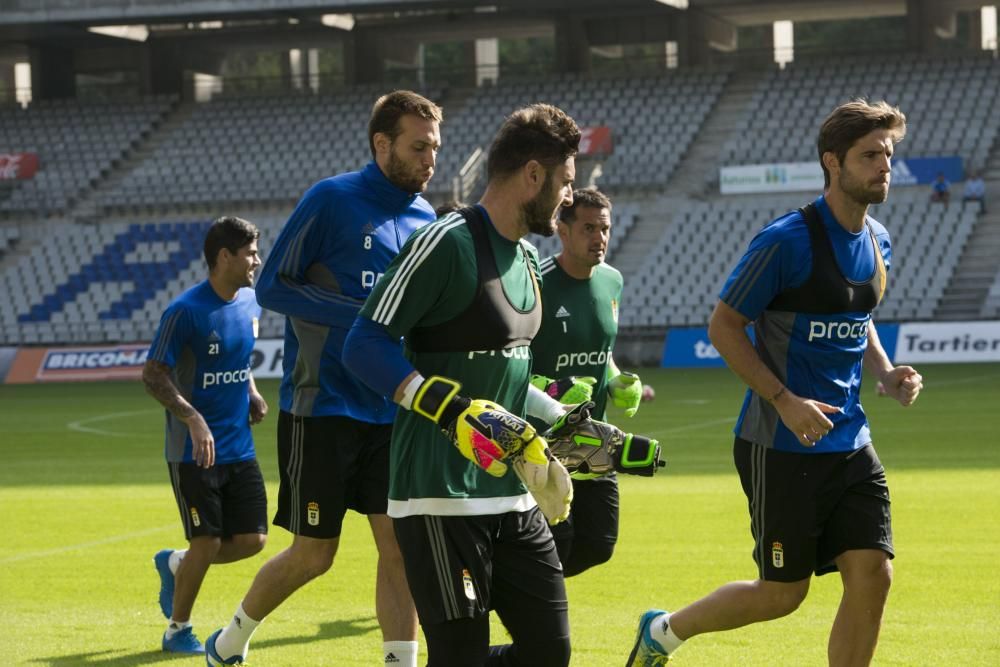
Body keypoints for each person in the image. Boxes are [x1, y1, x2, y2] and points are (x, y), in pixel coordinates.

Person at [628, 99, 924, 666]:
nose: (884, 165)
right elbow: (724, 325)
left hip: (851, 442)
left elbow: (857, 321)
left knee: (873, 574)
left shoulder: (879, 240)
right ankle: (663, 632)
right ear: (832, 162)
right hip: (779, 442)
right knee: (783, 595)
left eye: (888, 154)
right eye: (870, 155)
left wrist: (885, 373)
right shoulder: (785, 241)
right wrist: (784, 400)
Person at [204, 90, 442, 667]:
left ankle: (398, 662)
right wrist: (363, 315)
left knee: (399, 549)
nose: (430, 160)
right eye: (418, 147)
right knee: (315, 554)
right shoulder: (331, 199)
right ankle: (230, 640)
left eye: (435, 147)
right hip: (325, 406)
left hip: (393, 409)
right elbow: (274, 286)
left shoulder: (426, 219)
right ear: (382, 144)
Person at [342, 103, 581, 666]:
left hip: (512, 495)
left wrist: (567, 423)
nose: (570, 196)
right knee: (459, 656)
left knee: (551, 653)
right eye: (566, 182)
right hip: (437, 498)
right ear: (532, 175)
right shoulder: (446, 242)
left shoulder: (527, 257)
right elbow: (363, 343)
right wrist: (449, 412)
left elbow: (506, 380)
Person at [144, 216, 269, 655]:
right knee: (209, 539)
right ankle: (178, 629)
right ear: (224, 257)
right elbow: (153, 374)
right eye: (250, 253)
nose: (256, 260)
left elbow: (241, 359)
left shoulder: (252, 302)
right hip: (193, 451)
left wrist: (251, 391)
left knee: (254, 540)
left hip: (238, 444)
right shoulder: (185, 311)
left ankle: (177, 563)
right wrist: (193, 418)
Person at [529, 186, 644, 577]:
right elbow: (510, 363)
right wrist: (553, 390)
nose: (600, 238)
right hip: (543, 439)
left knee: (598, 544)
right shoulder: (536, 282)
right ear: (562, 230)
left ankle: (512, 593)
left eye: (605, 228)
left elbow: (601, 352)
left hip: (594, 437)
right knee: (554, 544)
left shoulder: (612, 280)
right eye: (589, 228)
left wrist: (617, 381)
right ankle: (533, 627)